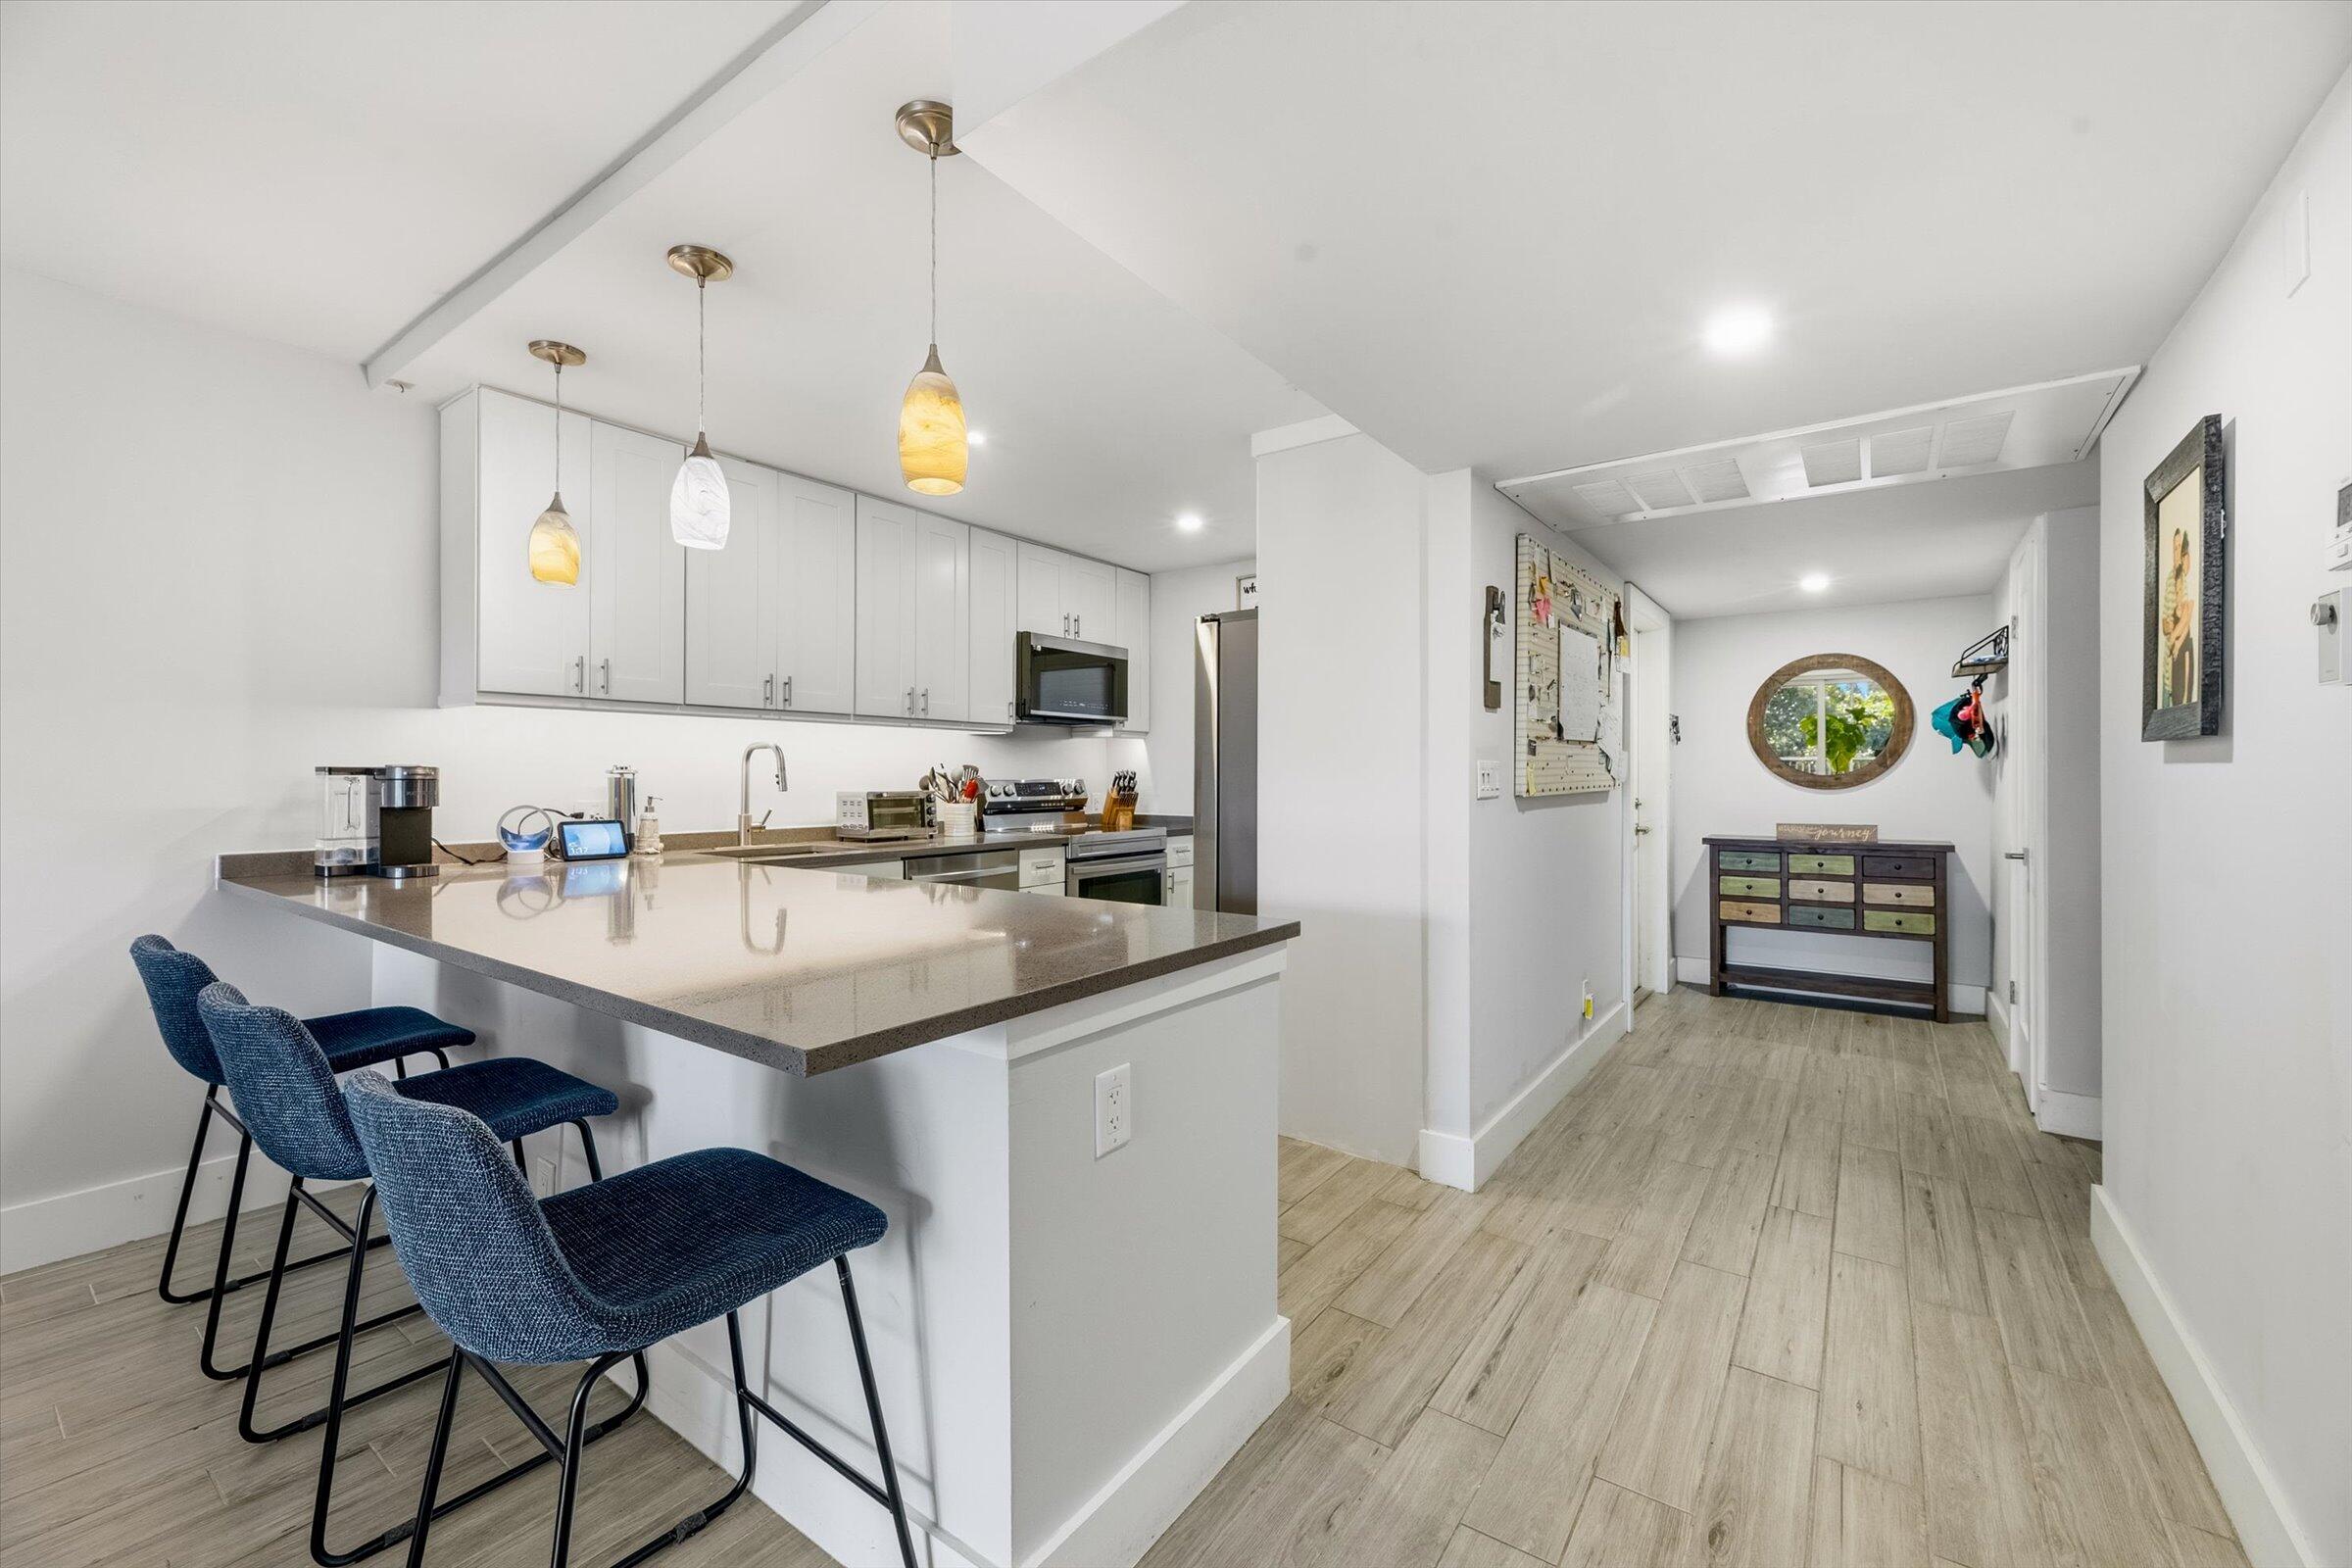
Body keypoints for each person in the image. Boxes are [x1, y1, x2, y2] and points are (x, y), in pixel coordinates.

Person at [2161, 525, 2198, 705]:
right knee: (2172, 698)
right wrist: (2168, 627)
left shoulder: (2185, 579)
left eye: (2180, 549)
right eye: (2174, 549)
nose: (2177, 554)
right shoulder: (2171, 578)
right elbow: (2165, 622)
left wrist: (2174, 639)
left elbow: (2186, 617)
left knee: (2182, 699)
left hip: (2182, 650)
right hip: (2171, 656)